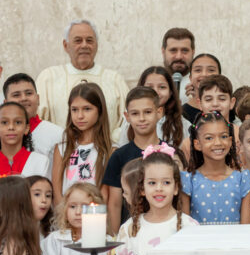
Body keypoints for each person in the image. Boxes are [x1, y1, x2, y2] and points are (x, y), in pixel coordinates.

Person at [35, 20, 128, 136]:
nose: (84, 45)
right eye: (78, 40)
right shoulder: (48, 78)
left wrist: (112, 142)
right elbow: (37, 121)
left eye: (89, 40)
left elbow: (127, 122)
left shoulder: (114, 79)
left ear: (96, 45)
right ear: (66, 45)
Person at [103, 87, 163, 233]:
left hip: (165, 229)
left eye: (147, 112)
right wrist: (115, 237)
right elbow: (115, 203)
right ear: (127, 116)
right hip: (131, 232)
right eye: (135, 113)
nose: (142, 118)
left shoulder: (171, 153)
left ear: (159, 112)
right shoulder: (119, 156)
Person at [180, 113, 250, 225]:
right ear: (197, 144)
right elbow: (185, 226)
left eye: (223, 136)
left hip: (235, 237)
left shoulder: (242, 179)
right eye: (209, 138)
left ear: (230, 141)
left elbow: (246, 228)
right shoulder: (188, 181)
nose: (218, 143)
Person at [52, 82, 112, 198]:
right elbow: (57, 194)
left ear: (100, 110)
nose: (80, 116)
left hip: (96, 209)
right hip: (67, 209)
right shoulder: (62, 149)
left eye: (87, 109)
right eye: (74, 110)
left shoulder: (110, 150)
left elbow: (106, 195)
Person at [0, 102, 51, 189]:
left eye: (18, 122)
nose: (11, 127)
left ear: (26, 128)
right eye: (4, 122)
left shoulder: (41, 162)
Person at [3, 73, 64, 169]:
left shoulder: (58, 134)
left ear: (38, 99)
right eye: (16, 95)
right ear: (5, 103)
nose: (23, 98)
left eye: (28, 93)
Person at [137, 66, 189, 149]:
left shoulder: (181, 123)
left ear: (170, 92)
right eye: (149, 87)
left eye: (162, 87)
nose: (156, 92)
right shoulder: (132, 119)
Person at [181, 53, 221, 123]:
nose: (204, 74)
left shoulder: (226, 109)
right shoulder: (181, 113)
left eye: (211, 70)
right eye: (198, 70)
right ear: (190, 78)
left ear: (220, 77)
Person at [161, 27, 195, 104]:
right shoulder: (151, 83)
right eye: (173, 50)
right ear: (163, 52)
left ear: (193, 52)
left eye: (184, 51)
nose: (179, 56)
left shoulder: (200, 84)